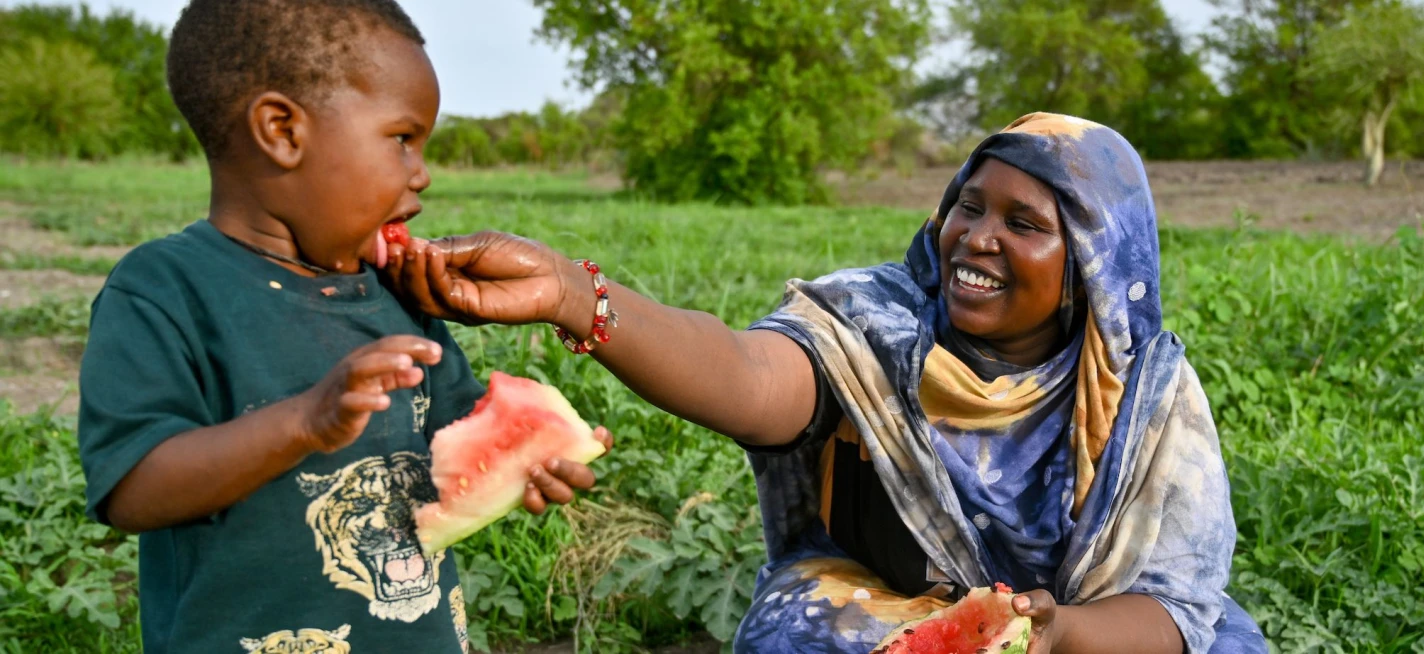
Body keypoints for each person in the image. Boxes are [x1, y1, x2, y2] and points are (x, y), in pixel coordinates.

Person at [389, 113, 1267, 653]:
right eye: (969, 204)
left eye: (1024, 223)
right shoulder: (874, 323)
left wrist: (1056, 634)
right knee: (799, 635)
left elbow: (1171, 609)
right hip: (886, 609)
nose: (976, 237)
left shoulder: (1148, 391)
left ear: (1090, 264)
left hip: (1081, 639)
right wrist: (575, 295)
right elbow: (745, 375)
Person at [74, 2, 608, 652]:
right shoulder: (164, 290)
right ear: (282, 131)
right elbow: (132, 489)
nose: (422, 173)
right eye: (402, 138)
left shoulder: (393, 293)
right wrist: (305, 423)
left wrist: (527, 461)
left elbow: (450, 444)